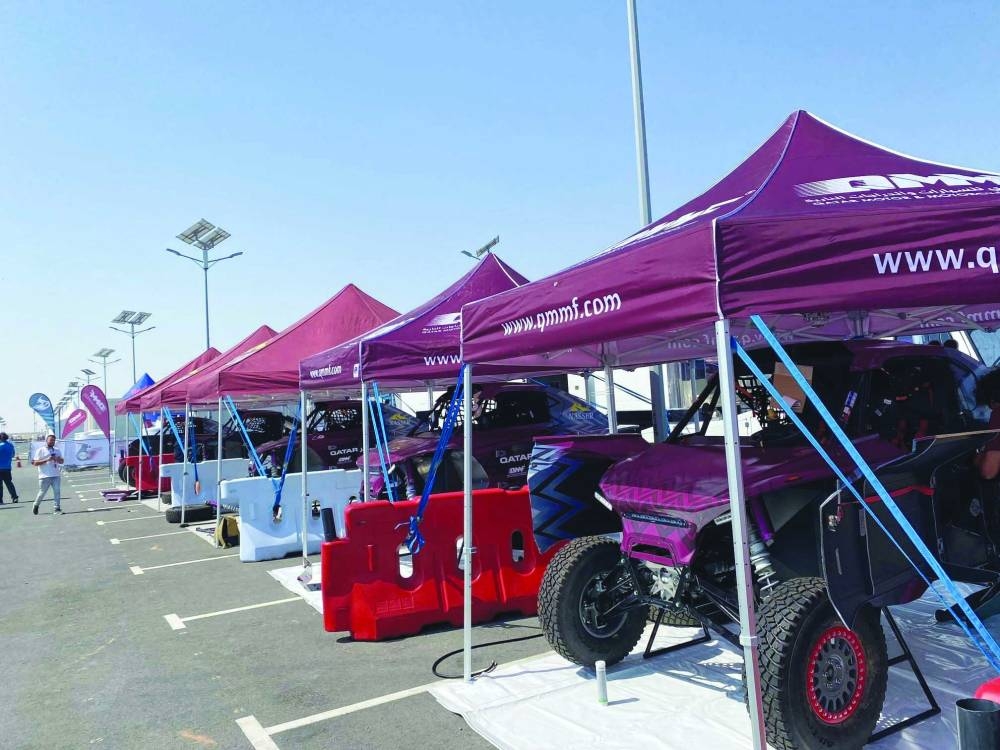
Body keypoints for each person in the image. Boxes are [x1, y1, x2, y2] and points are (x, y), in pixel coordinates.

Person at [32, 432, 64, 515]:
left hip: (56, 474)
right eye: (50, 440)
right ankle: (36, 505)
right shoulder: (41, 450)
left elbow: (62, 461)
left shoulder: (57, 450)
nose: (52, 442)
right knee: (42, 492)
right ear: (46, 440)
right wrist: (47, 459)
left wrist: (56, 459)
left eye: (53, 440)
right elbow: (35, 463)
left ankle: (57, 508)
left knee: (57, 491)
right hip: (44, 475)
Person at [0, 432, 19, 503]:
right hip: (7, 467)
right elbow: (13, 455)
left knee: (0, 485)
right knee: (9, 483)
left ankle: (0, 500)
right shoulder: (10, 445)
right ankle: (14, 497)